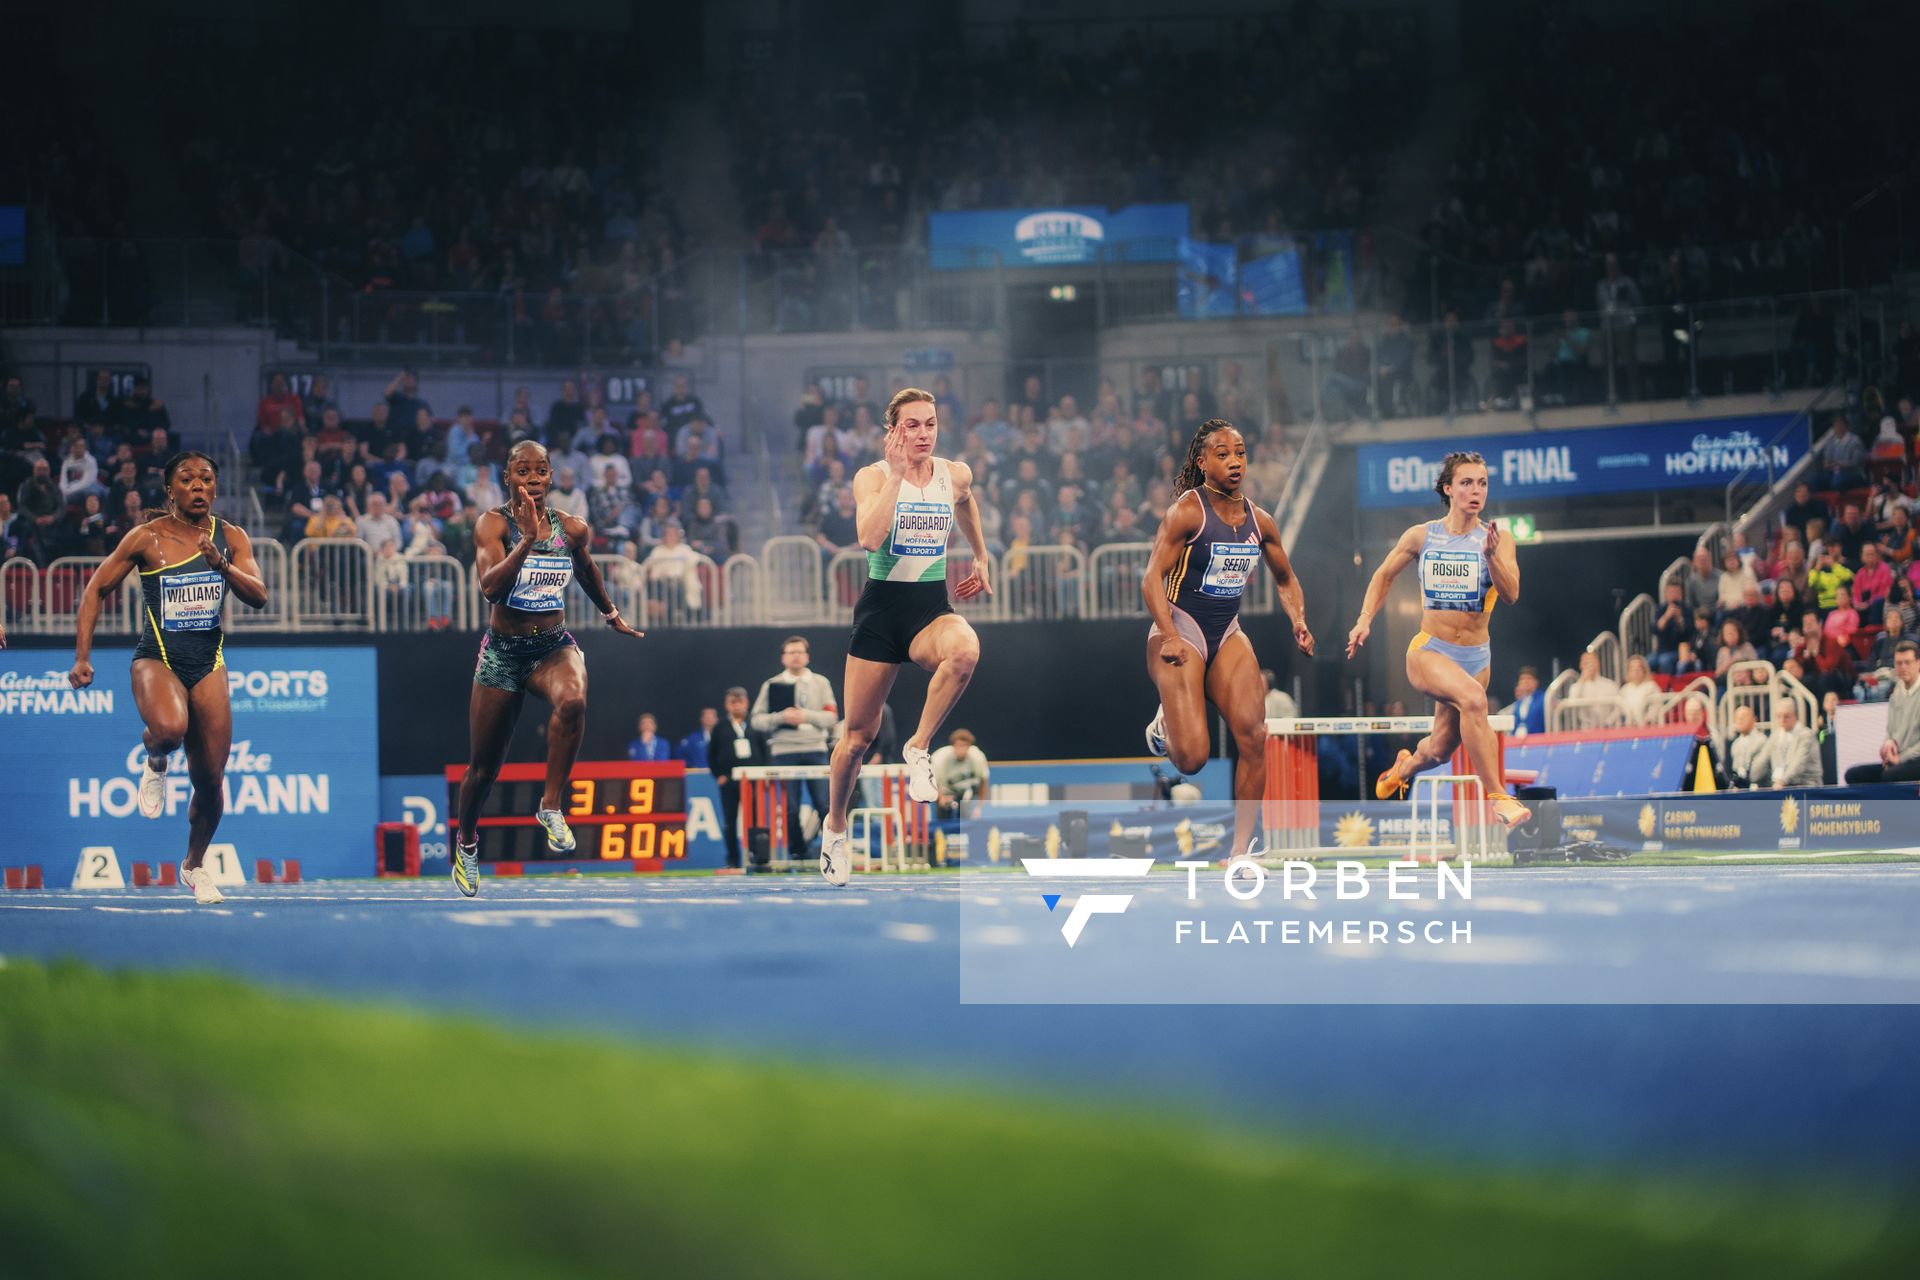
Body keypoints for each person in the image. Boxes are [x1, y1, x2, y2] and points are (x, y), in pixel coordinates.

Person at [66, 453, 269, 905]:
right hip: (157, 658)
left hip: (208, 663)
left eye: (207, 479)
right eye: (187, 479)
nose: (199, 486)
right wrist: (82, 657)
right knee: (169, 729)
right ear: (170, 491)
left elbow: (259, 595)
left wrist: (222, 564)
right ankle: (156, 758)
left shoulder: (230, 537)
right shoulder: (146, 538)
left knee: (211, 780)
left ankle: (195, 866)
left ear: (215, 489)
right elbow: (96, 589)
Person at [451, 442, 644, 897]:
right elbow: (490, 588)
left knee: (574, 698)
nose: (533, 478)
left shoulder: (572, 528)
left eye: (541, 471)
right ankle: (466, 843)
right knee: (483, 769)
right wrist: (527, 542)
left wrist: (610, 613)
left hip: (552, 648)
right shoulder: (492, 523)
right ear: (508, 477)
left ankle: (551, 805)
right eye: (523, 470)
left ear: (551, 477)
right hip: (502, 654)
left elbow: (587, 570)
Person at [817, 388, 992, 885]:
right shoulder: (872, 476)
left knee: (965, 650)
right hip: (881, 611)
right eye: (911, 425)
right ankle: (834, 830)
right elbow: (870, 538)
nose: (922, 433)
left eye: (929, 424)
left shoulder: (953, 473)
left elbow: (966, 500)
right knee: (857, 739)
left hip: (929, 608)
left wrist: (979, 555)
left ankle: (918, 748)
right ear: (892, 431)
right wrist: (896, 476)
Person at [1141, 418, 1315, 860]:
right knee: (1193, 760)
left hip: (1227, 633)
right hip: (1179, 629)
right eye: (1222, 454)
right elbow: (1151, 579)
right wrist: (1167, 635)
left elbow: (1286, 578)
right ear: (1202, 463)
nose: (1234, 462)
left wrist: (1298, 619)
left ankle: (1240, 850)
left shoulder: (1262, 522)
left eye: (1239, 452)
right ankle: (1165, 725)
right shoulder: (1187, 512)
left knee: (1255, 738)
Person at [1350, 451, 1529, 831]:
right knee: (1474, 701)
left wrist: (1492, 557)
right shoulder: (1421, 536)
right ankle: (1500, 797)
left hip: (1476, 659)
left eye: (1481, 483)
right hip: (1429, 651)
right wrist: (1365, 619)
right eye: (1466, 483)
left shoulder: (1499, 539)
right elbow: (1383, 576)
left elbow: (1511, 594)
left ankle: (1404, 767)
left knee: (1440, 749)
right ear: (1448, 489)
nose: (1475, 491)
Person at [750, 636, 841, 864]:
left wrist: (805, 716)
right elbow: (756, 720)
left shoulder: (821, 683)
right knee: (789, 808)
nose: (796, 656)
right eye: (791, 652)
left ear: (807, 656)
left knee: (824, 804)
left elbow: (832, 717)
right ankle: (798, 852)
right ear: (783, 658)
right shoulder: (771, 685)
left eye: (800, 652)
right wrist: (782, 717)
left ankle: (830, 851)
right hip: (783, 751)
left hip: (815, 749)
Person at [1843, 641, 1920, 784]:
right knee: (1854, 775)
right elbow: (1891, 731)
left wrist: (1900, 759)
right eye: (1899, 663)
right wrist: (1887, 745)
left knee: (1890, 776)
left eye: (1907, 662)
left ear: (1918, 663)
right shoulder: (1896, 694)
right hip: (1899, 760)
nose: (1903, 667)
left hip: (1915, 759)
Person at [707, 687, 765, 870]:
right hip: (730, 781)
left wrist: (765, 774)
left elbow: (765, 751)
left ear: (746, 703)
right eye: (733, 702)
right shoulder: (720, 727)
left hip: (754, 780)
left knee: (756, 819)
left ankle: (757, 857)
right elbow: (711, 755)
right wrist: (719, 775)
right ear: (727, 705)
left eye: (740, 701)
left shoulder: (756, 724)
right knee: (729, 821)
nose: (737, 705)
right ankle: (733, 859)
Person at [930, 728, 990, 821]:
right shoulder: (940, 758)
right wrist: (941, 798)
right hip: (947, 792)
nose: (962, 749)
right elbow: (934, 782)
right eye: (959, 746)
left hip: (967, 792)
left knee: (965, 814)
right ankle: (945, 832)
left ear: (969, 746)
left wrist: (979, 808)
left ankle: (964, 831)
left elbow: (983, 783)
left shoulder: (978, 757)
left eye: (965, 746)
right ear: (953, 746)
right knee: (945, 810)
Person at [1768, 700, 1823, 788]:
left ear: (1795, 716)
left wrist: (1782, 781)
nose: (1782, 720)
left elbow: (1799, 764)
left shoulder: (1806, 735)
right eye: (1779, 716)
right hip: (1783, 785)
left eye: (1786, 716)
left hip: (1807, 785)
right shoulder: (1775, 735)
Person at [1507, 666, 1547, 736]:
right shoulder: (1518, 703)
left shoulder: (1543, 699)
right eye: (1522, 679)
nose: (1525, 681)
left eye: (1529, 678)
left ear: (1536, 682)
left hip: (1536, 741)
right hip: (1517, 741)